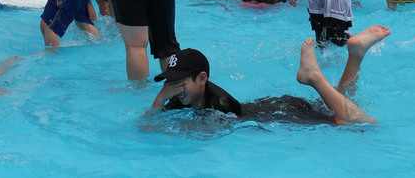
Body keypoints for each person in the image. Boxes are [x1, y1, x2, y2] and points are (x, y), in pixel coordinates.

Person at [150, 25, 391, 125]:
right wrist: (159, 99)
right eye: (170, 82)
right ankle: (356, 54)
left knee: (362, 123)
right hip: (274, 105)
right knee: (338, 101)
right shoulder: (180, 98)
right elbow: (146, 125)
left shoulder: (218, 105)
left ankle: (314, 77)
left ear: (202, 79)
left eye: (180, 81)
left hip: (284, 115)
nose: (175, 87)